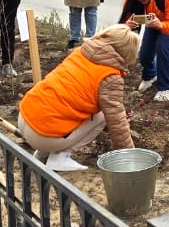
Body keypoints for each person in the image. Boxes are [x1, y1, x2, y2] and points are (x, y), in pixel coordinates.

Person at [17, 24, 139, 171]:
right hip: (43, 136)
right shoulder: (110, 76)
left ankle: (42, 154)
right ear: (127, 54)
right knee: (102, 117)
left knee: (63, 102)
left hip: (25, 117)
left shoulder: (80, 52)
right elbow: (117, 122)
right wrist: (130, 157)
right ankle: (60, 157)